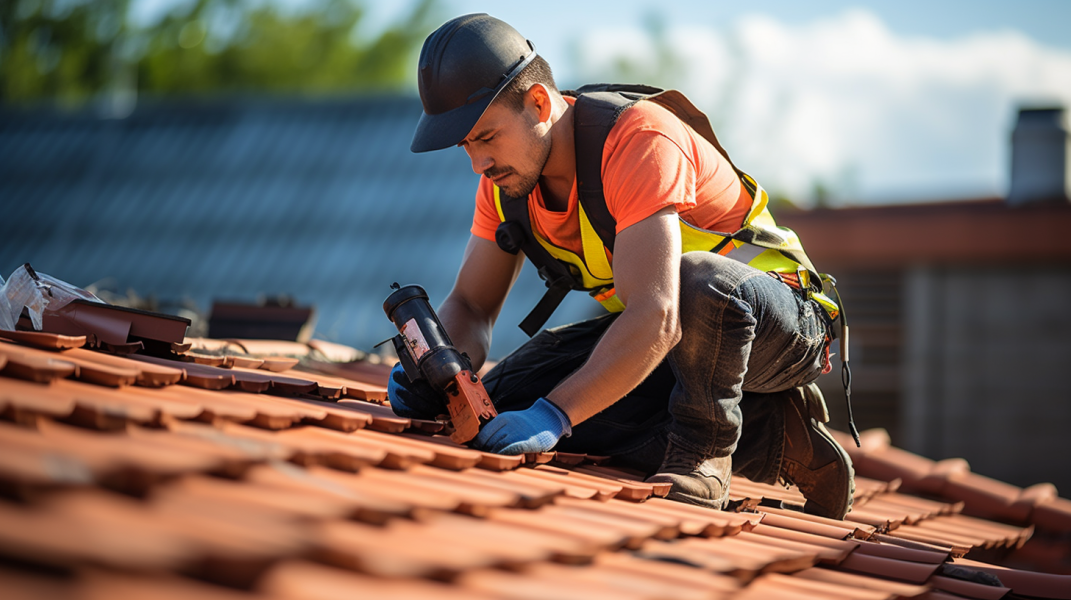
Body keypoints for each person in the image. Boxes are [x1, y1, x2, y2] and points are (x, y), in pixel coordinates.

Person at [389, 13, 855, 518]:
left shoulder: (638, 140)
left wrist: (556, 412)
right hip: (682, 342)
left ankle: (702, 456)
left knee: (699, 281)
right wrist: (446, 372)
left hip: (784, 324)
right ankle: (774, 435)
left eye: (486, 137)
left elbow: (656, 315)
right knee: (498, 404)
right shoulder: (506, 184)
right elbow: (472, 305)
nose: (478, 164)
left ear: (539, 103)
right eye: (466, 147)